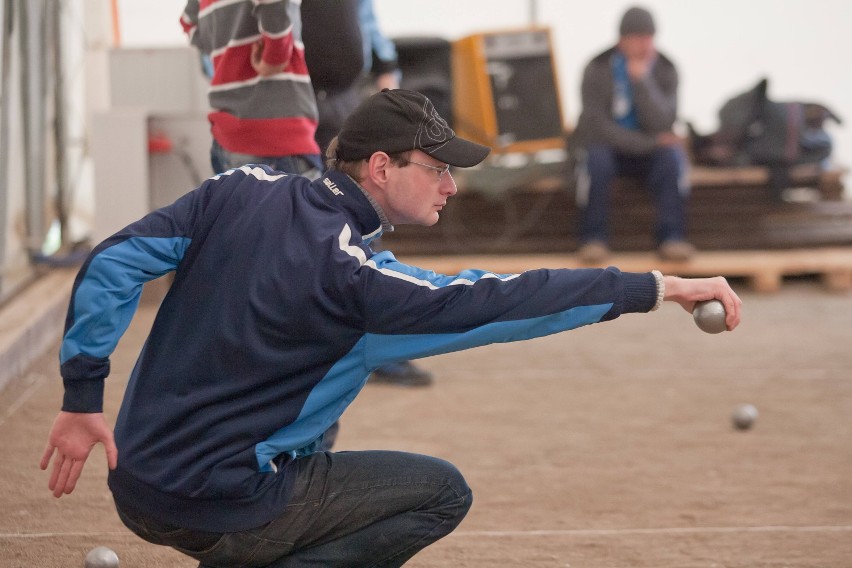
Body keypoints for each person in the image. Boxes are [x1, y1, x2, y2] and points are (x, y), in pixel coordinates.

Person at [41, 89, 742, 567]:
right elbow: (507, 299)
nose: (451, 186)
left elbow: (111, 264)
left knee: (325, 409)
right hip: (218, 505)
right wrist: (657, 287)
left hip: (134, 481)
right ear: (381, 168)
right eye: (436, 169)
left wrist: (81, 398)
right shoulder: (359, 280)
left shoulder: (238, 190)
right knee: (442, 492)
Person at [303, 0, 433, 387]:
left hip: (343, 98)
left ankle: (373, 343)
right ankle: (304, 348)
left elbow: (364, 15)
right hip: (284, 106)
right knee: (297, 228)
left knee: (361, 221)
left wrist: (385, 66)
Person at [570, 6, 694, 263]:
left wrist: (642, 82)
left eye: (648, 38)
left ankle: (671, 238)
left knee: (671, 159)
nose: (643, 45)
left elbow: (664, 122)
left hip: (649, 152)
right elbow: (597, 126)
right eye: (637, 38)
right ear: (621, 40)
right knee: (595, 161)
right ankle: (594, 240)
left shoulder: (665, 69)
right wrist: (649, 143)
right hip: (609, 147)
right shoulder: (597, 68)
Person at [180, 0, 322, 177]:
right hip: (275, 137)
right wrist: (273, 58)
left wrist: (227, 57)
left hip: (227, 138)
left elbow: (188, 21)